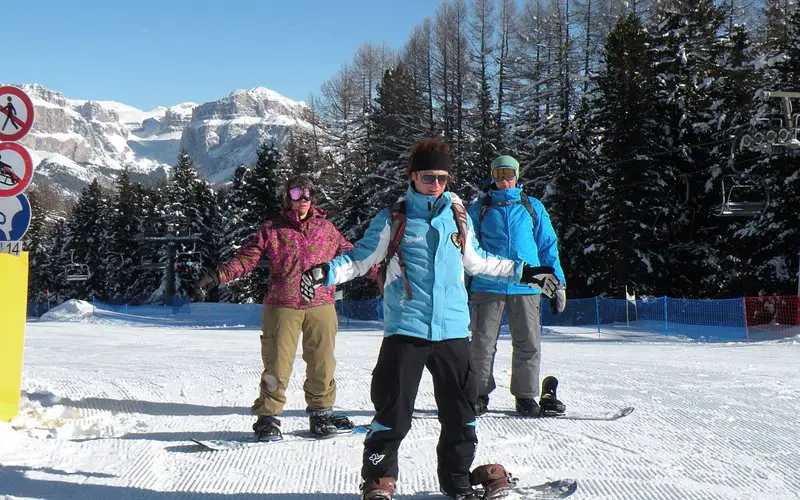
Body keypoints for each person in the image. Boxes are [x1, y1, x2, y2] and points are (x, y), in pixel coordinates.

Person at [299, 139, 559, 500]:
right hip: (407, 328)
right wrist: (322, 273)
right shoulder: (395, 217)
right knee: (393, 411)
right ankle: (379, 481)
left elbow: (480, 261)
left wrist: (527, 272)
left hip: (452, 330)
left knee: (461, 415)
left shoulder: (458, 214)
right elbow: (359, 259)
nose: (435, 183)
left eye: (441, 177)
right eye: (427, 176)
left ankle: (456, 483)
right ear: (412, 176)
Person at [197, 175, 355, 440]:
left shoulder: (327, 229)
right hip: (283, 304)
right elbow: (247, 258)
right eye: (296, 194)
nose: (302, 200)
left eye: (306, 194)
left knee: (322, 362)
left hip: (322, 305)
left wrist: (383, 274)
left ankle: (321, 414)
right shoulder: (273, 229)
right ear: (287, 197)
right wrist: (216, 276)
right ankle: (268, 417)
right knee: (277, 363)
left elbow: (353, 257)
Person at [467, 155, 567, 418]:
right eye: (498, 174)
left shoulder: (532, 207)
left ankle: (525, 396)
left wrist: (558, 284)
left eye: (509, 173)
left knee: (528, 343)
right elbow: (467, 249)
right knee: (481, 343)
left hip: (528, 286)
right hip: (488, 285)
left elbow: (547, 246)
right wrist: (462, 284)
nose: (504, 180)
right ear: (492, 176)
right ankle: (478, 393)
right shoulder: (480, 208)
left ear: (517, 175)